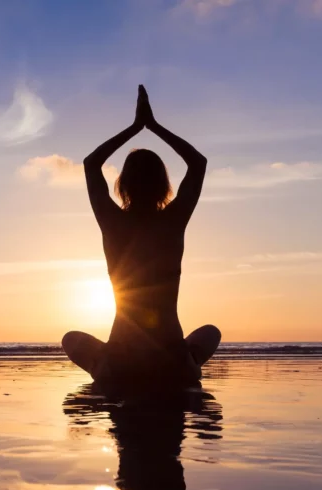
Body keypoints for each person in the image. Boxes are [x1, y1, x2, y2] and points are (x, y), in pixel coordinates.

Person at [62, 85, 221, 390]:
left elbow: (91, 163)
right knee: (210, 332)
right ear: (164, 186)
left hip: (121, 363)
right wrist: (154, 126)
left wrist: (135, 127)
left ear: (122, 186)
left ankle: (102, 367)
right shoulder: (173, 221)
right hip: (171, 362)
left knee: (71, 339)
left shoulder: (112, 222)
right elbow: (198, 163)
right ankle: (189, 363)